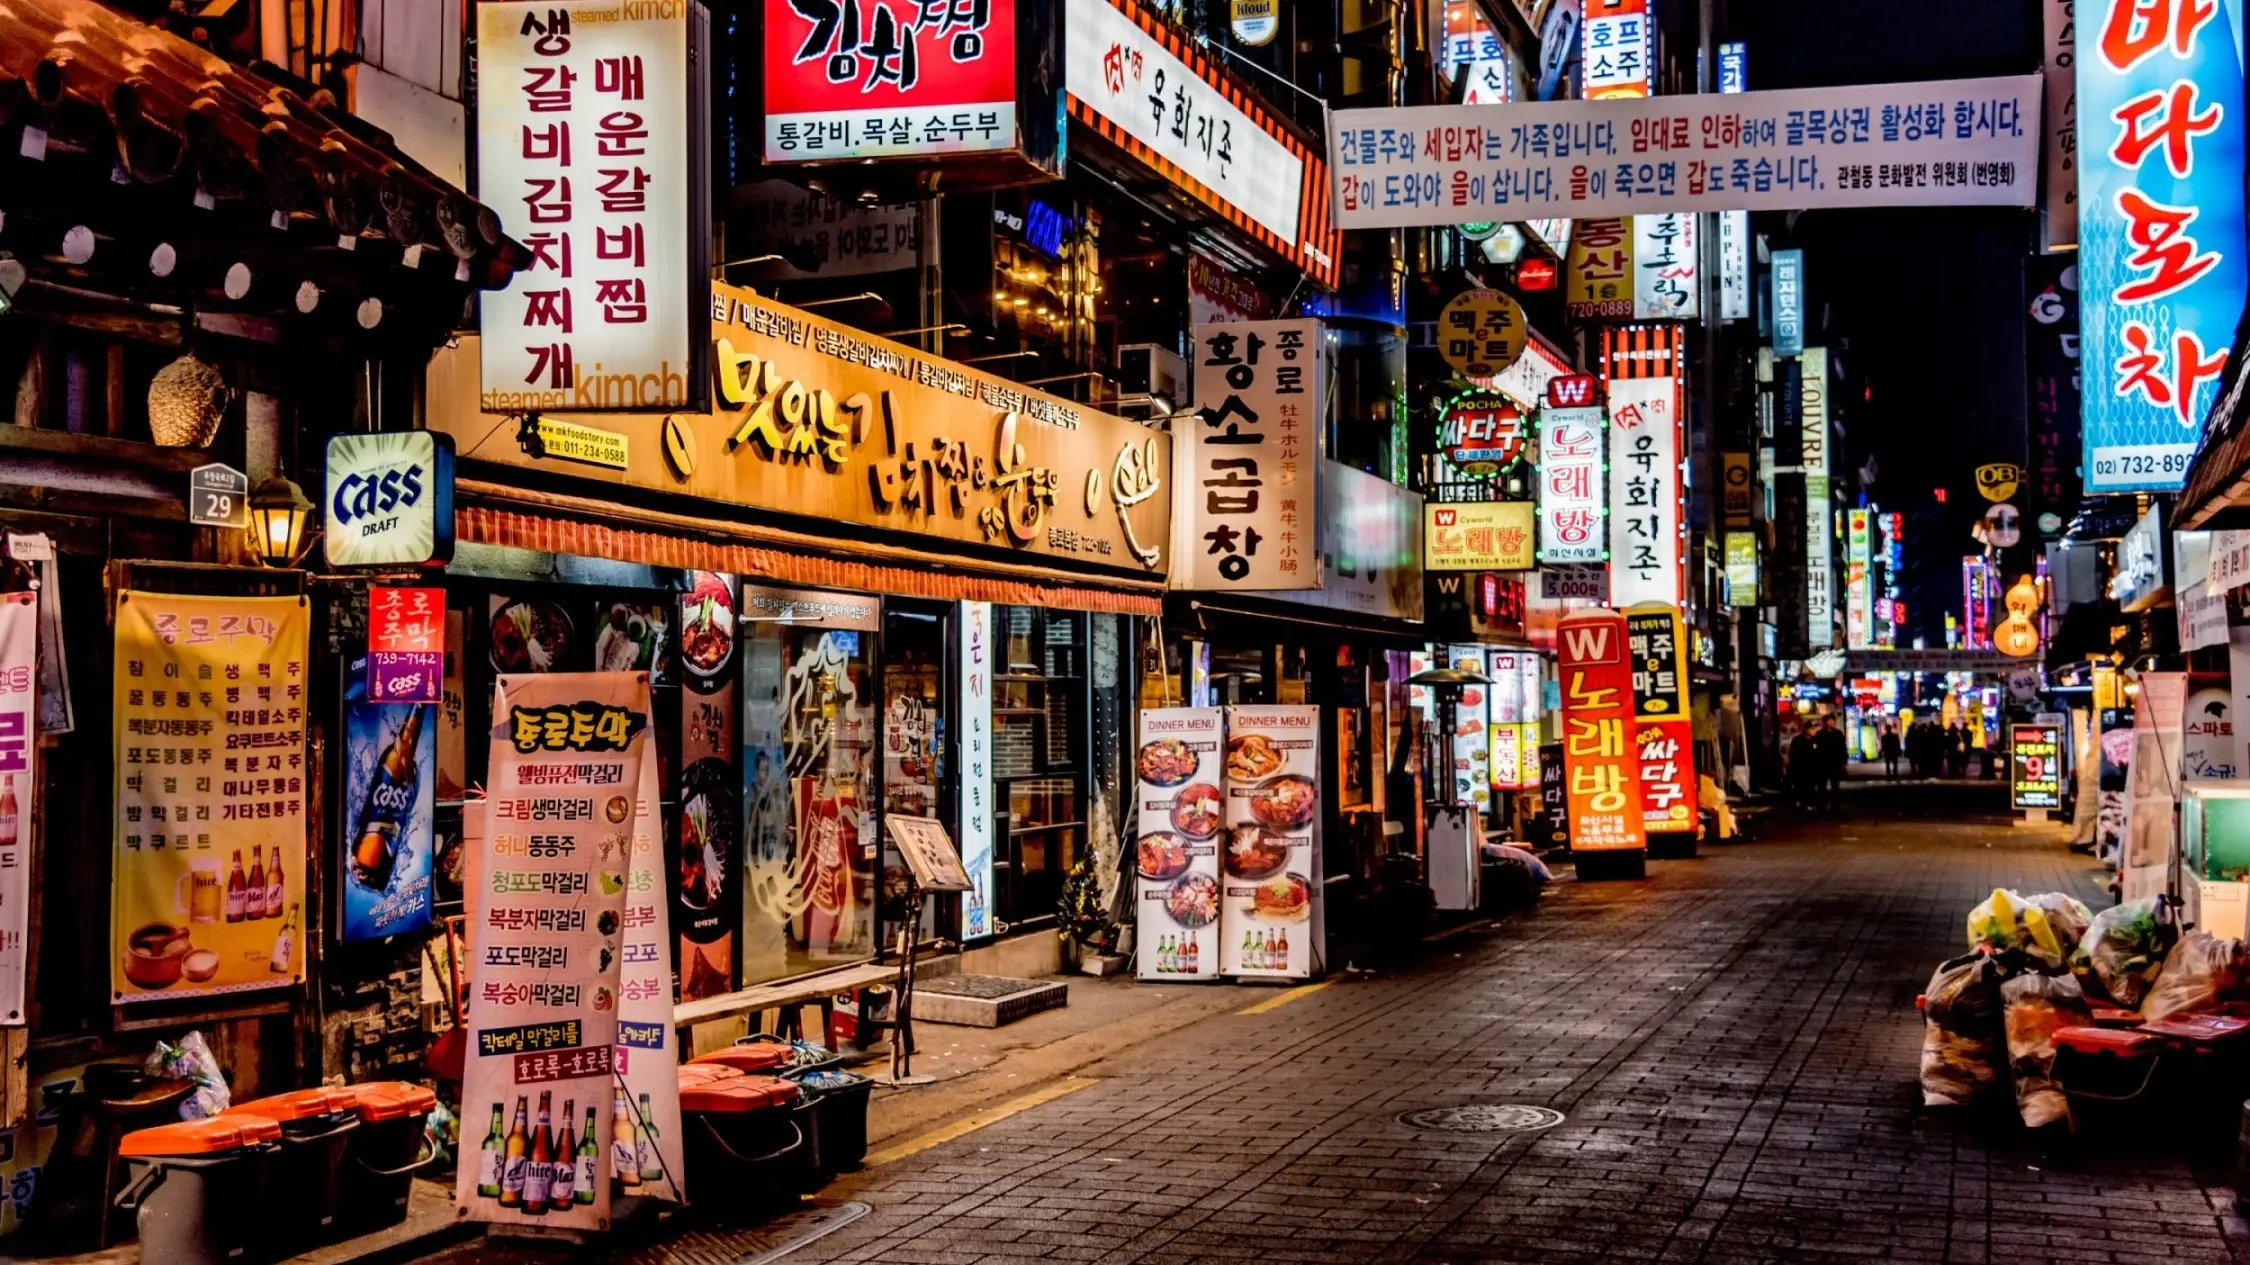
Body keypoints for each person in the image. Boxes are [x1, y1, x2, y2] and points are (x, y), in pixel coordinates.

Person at [1815, 717, 1848, 812]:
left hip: (1835, 763)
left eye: (1832, 722)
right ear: (1825, 723)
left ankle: (1835, 804)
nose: (1831, 724)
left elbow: (1842, 748)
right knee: (1821, 785)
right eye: (1829, 722)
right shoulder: (1820, 734)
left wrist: (1843, 762)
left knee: (1835, 785)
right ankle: (1822, 804)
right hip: (1823, 763)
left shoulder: (1838, 734)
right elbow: (1816, 746)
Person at [1787, 726, 1820, 811]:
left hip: (1811, 768)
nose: (1814, 731)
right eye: (1812, 729)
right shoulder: (1798, 740)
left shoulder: (1814, 739)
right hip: (1800, 768)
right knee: (1801, 786)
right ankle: (1801, 802)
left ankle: (1809, 803)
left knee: (1810, 786)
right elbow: (1793, 754)